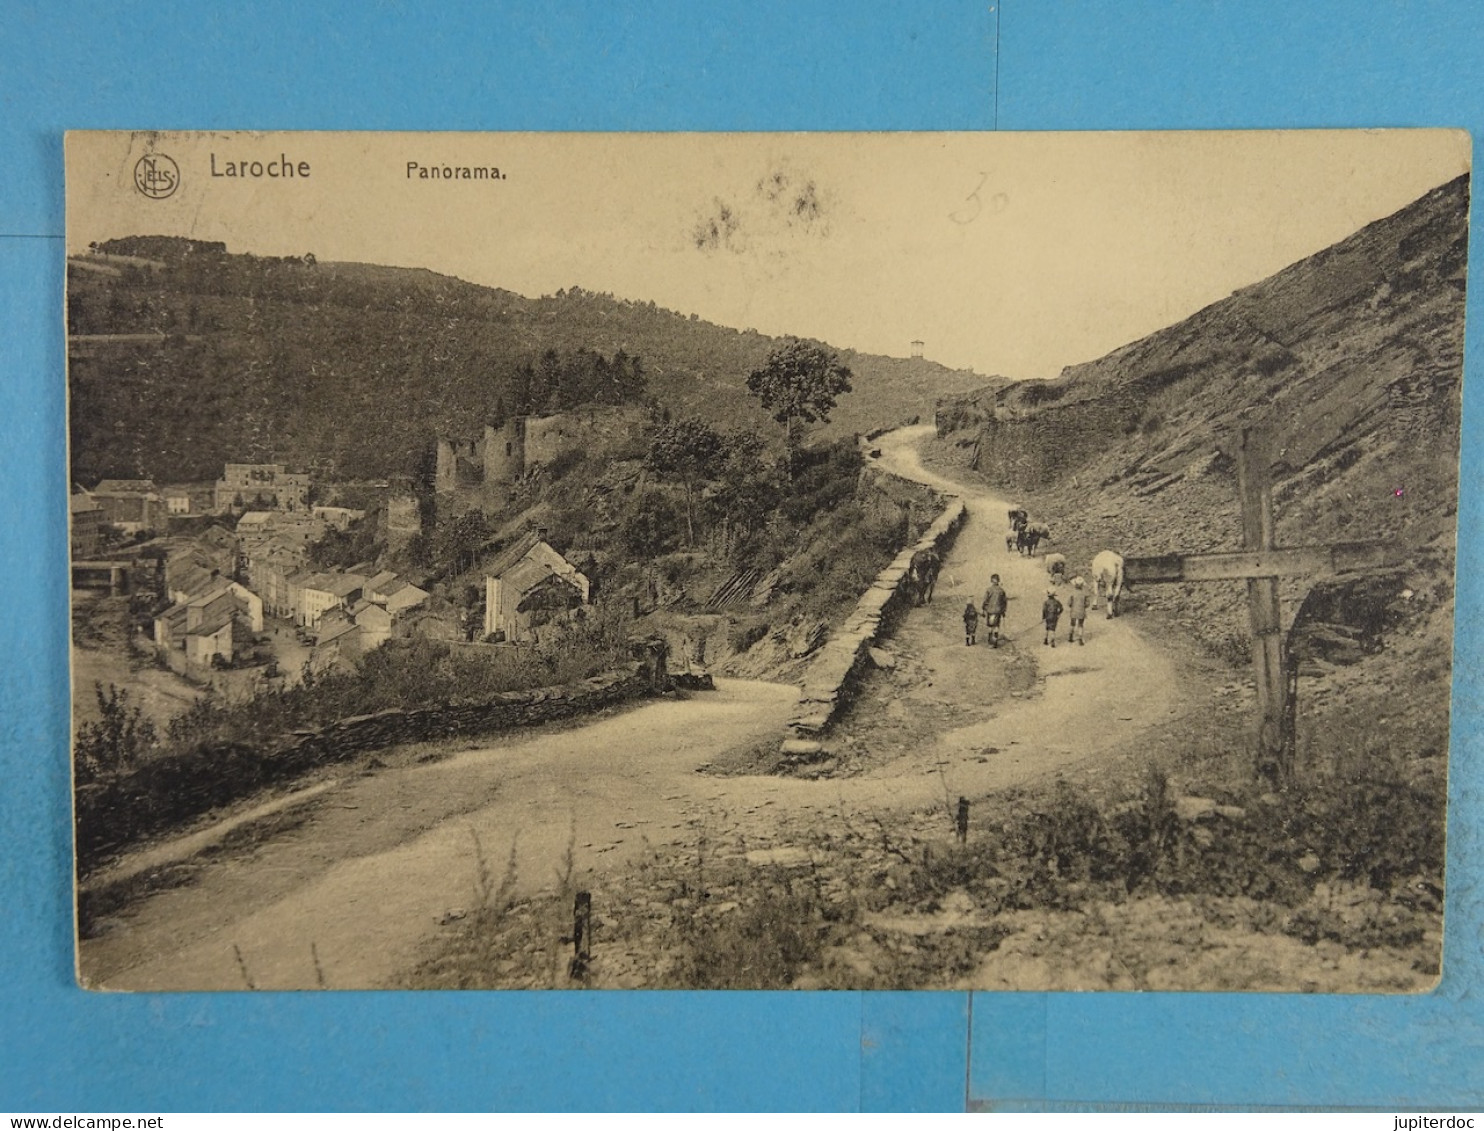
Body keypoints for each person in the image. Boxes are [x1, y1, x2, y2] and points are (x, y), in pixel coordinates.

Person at [981, 573, 1009, 648]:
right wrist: (1003, 611)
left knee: (990, 626)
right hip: (998, 611)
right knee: (996, 626)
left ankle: (990, 641)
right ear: (998, 581)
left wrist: (983, 609)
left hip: (990, 610)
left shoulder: (989, 590)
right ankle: (995, 641)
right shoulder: (1001, 590)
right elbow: (1004, 602)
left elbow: (985, 601)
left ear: (991, 581)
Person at [1066, 576, 1089, 644]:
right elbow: (1087, 604)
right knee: (1080, 625)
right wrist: (1083, 606)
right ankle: (1080, 638)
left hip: (1073, 611)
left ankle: (1070, 636)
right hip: (1081, 611)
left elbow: (1069, 603)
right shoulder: (1084, 594)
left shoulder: (1072, 593)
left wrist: (1072, 606)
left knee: (1072, 624)